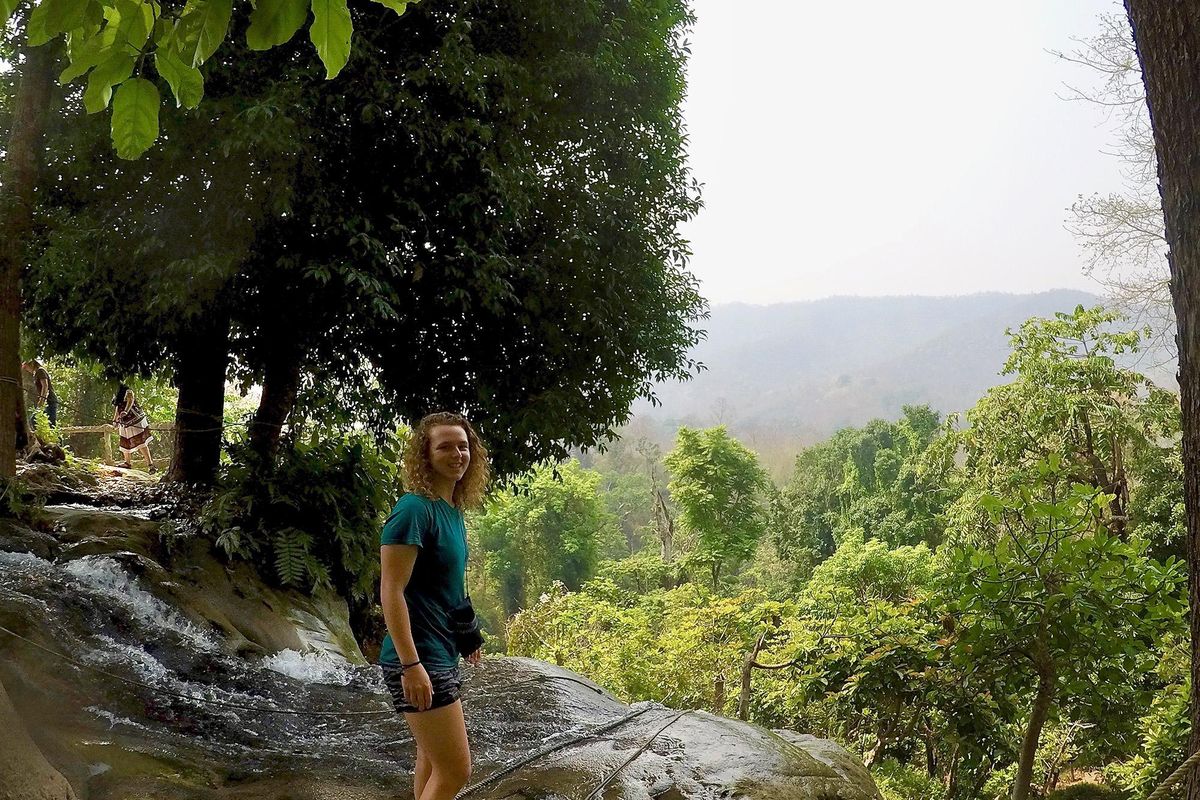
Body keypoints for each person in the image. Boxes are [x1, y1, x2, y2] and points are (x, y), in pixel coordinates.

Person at [379, 411, 490, 800]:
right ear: (425, 455)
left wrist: (468, 633)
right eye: (445, 446)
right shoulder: (413, 510)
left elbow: (448, 586)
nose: (457, 454)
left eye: (463, 446)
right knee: (456, 770)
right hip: (418, 656)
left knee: (429, 757)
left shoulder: (451, 511)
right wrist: (411, 666)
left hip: (441, 651)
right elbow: (391, 590)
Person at [111, 384, 156, 472]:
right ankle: (127, 463)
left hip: (135, 420)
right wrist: (115, 420)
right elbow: (118, 407)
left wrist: (126, 411)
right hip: (124, 422)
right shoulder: (116, 394)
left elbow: (130, 401)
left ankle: (151, 465)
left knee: (140, 443)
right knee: (124, 442)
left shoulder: (128, 391)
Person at [21, 360, 57, 428]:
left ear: (31, 365)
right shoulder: (36, 374)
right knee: (34, 421)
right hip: (45, 402)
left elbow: (45, 386)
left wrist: (42, 400)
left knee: (51, 424)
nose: (26, 370)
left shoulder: (40, 371)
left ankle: (55, 438)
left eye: (26, 368)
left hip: (50, 401)